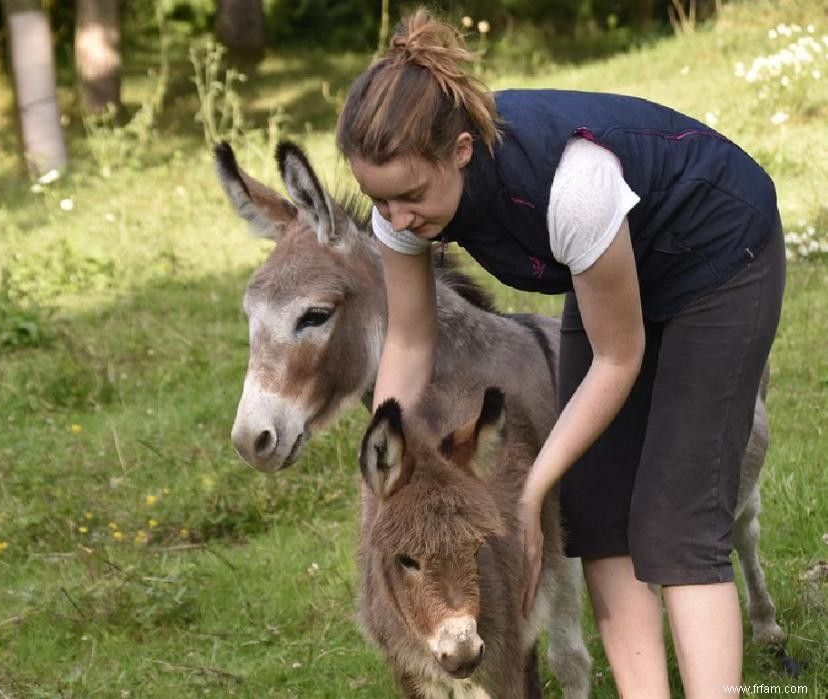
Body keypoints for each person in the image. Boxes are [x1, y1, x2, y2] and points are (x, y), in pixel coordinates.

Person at [336, 9, 786, 698]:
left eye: (410, 197)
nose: (397, 220)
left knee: (679, 520)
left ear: (459, 150)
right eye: (380, 201)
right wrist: (387, 490)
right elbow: (407, 341)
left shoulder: (571, 183)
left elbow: (618, 356)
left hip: (716, 254)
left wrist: (532, 487)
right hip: (610, 268)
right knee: (599, 513)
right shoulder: (403, 204)